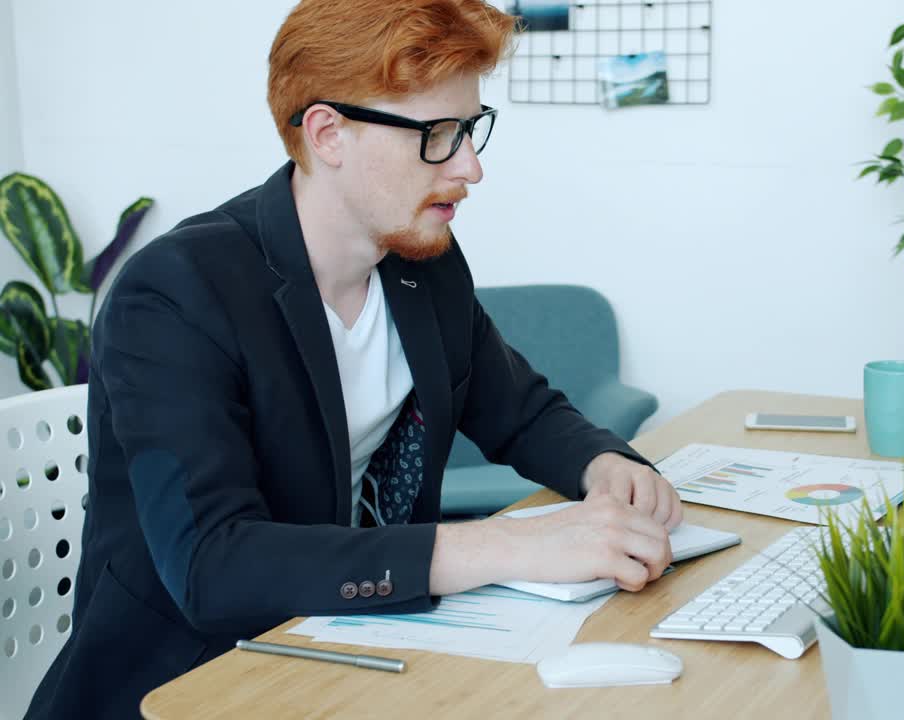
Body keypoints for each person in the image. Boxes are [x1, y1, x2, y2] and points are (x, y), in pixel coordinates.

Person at [25, 1, 681, 717]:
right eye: (437, 135)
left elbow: (520, 411)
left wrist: (607, 467)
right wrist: (505, 546)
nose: (470, 166)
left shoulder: (421, 262)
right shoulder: (178, 292)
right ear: (328, 133)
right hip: (189, 682)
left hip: (356, 650)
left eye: (469, 129)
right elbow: (215, 568)